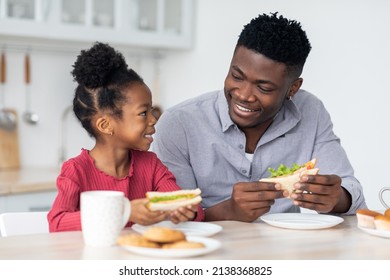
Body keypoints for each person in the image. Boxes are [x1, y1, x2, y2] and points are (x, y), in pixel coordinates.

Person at [153, 12, 367, 222]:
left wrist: (337, 198)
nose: (244, 95)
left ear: (293, 88)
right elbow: (173, 216)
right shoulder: (178, 124)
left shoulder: (311, 111)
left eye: (263, 88)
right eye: (237, 76)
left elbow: (351, 191)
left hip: (285, 253)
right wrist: (228, 211)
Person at [48, 42, 204, 232]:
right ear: (105, 125)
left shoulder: (151, 165)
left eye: (152, 110)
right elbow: (57, 222)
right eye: (143, 113)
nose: (153, 119)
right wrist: (124, 211)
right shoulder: (76, 171)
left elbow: (188, 206)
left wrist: (187, 211)